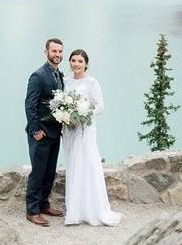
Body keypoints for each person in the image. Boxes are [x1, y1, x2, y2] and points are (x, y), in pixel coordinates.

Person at [63, 49, 121, 226]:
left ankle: (92, 209)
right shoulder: (65, 82)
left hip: (85, 130)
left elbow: (100, 107)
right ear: (70, 63)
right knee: (73, 164)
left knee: (86, 163)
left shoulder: (92, 83)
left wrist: (84, 113)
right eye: (73, 60)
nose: (76, 64)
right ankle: (75, 209)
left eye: (80, 61)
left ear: (86, 63)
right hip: (70, 130)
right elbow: (63, 104)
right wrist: (66, 114)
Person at [24, 38, 65, 227]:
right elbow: (30, 105)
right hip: (40, 133)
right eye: (54, 51)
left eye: (60, 52)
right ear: (46, 52)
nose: (57, 55)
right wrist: (36, 130)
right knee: (38, 172)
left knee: (50, 171)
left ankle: (44, 204)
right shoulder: (38, 76)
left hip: (55, 132)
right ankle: (32, 211)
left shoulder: (59, 74)